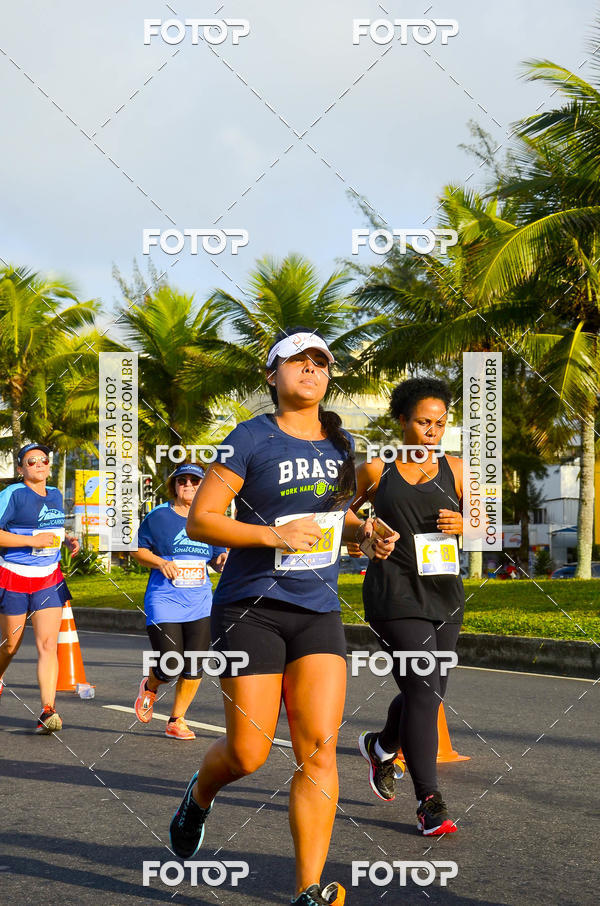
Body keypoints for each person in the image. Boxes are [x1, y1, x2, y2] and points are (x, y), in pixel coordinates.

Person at [168, 327, 396, 906]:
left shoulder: (341, 447)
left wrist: (366, 532)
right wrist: (272, 533)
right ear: (272, 376)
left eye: (320, 363)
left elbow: (333, 522)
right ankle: (200, 794)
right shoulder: (249, 438)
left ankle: (307, 891)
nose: (311, 370)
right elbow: (203, 521)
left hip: (317, 610)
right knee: (249, 752)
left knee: (318, 747)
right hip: (251, 609)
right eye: (297, 361)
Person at [353, 378, 464, 836]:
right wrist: (365, 537)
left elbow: (484, 528)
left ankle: (381, 746)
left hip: (444, 592)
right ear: (402, 420)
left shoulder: (457, 469)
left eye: (439, 423)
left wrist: (464, 525)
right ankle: (429, 802)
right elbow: (340, 513)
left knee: (429, 691)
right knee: (422, 691)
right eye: (423, 422)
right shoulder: (377, 469)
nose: (432, 430)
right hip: (394, 591)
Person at [132, 463, 227, 739]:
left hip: (200, 601)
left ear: (202, 486)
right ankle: (150, 685)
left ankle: (177, 719)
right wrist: (161, 562)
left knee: (194, 662)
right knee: (171, 662)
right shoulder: (159, 516)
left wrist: (223, 560)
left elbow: (217, 557)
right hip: (164, 599)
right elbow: (137, 549)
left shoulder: (209, 517)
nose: (188, 485)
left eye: (195, 481)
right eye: (182, 481)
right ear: (174, 486)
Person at [0, 443, 80, 733]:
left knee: (48, 645)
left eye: (44, 460)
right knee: (11, 644)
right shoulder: (12, 495)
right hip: (15, 577)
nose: (39, 464)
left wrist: (67, 539)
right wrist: (31, 542)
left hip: (49, 577)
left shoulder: (57, 494)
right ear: (21, 469)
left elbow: (50, 529)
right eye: (31, 461)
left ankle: (48, 710)